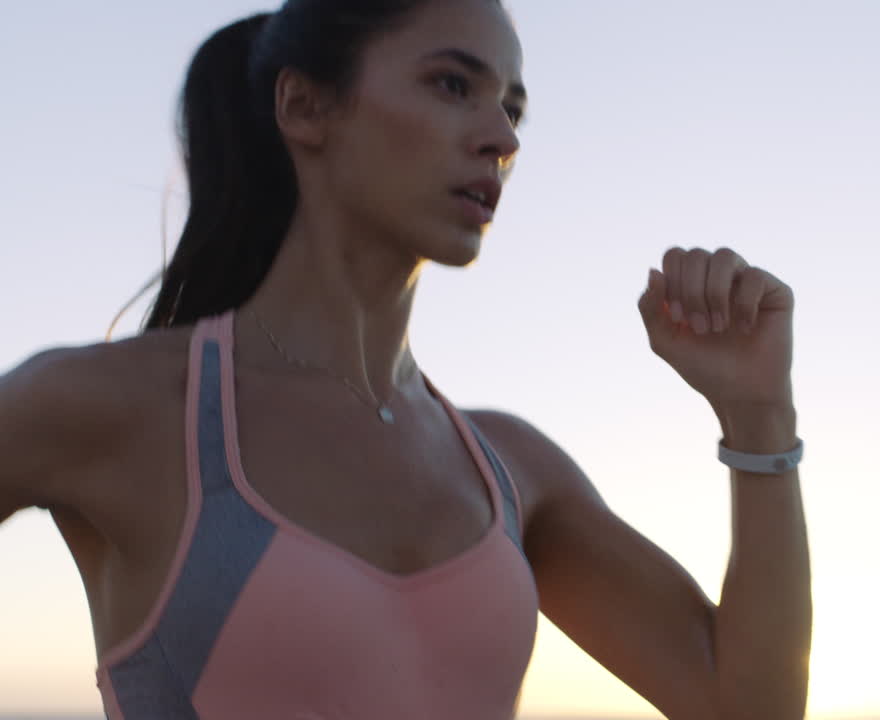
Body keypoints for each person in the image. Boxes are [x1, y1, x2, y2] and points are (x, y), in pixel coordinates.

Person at [0, 0, 811, 717]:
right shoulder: (125, 408)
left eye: (513, 108)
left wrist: (759, 413)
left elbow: (745, 707)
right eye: (453, 84)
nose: (502, 138)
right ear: (305, 106)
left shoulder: (510, 470)